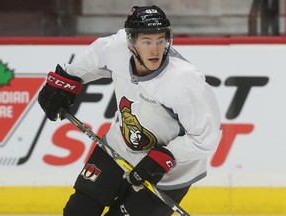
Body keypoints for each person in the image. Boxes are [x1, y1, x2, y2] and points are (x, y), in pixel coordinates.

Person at [38, 5, 222, 216]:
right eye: (147, 41)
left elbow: (207, 137)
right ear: (131, 42)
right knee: (78, 211)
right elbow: (94, 57)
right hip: (120, 147)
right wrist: (67, 79)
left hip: (168, 174)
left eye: (160, 41)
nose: (155, 49)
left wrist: (166, 156)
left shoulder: (184, 81)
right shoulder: (117, 48)